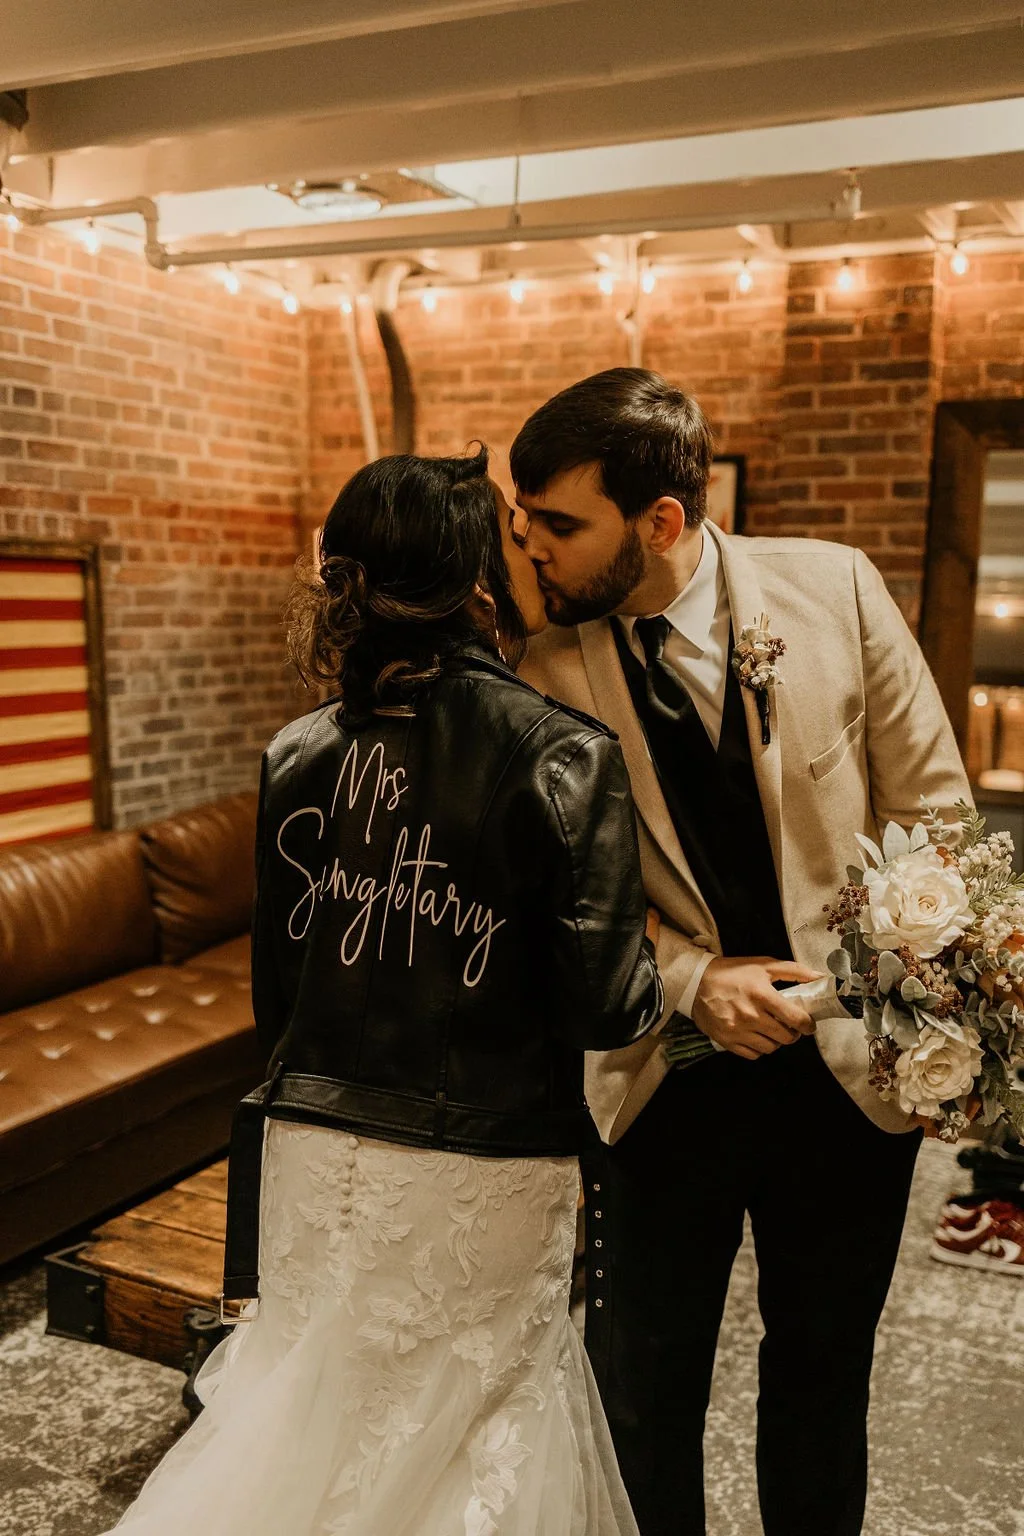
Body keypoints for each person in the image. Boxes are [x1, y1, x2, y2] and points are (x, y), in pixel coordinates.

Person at [102, 447, 663, 1535]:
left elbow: (279, 999)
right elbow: (606, 1007)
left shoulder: (297, 751)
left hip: (314, 1148)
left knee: (320, 1415)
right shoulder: (563, 757)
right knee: (468, 1436)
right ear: (477, 579)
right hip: (485, 1163)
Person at [513, 368, 970, 1536]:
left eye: (560, 524)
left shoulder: (836, 591)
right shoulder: (538, 659)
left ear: (661, 520)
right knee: (643, 1383)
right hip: (663, 1081)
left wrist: (902, 1008)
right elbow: (546, 887)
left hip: (846, 1073)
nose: (535, 551)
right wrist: (688, 981)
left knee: (822, 1374)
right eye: (526, 522)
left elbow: (938, 821)